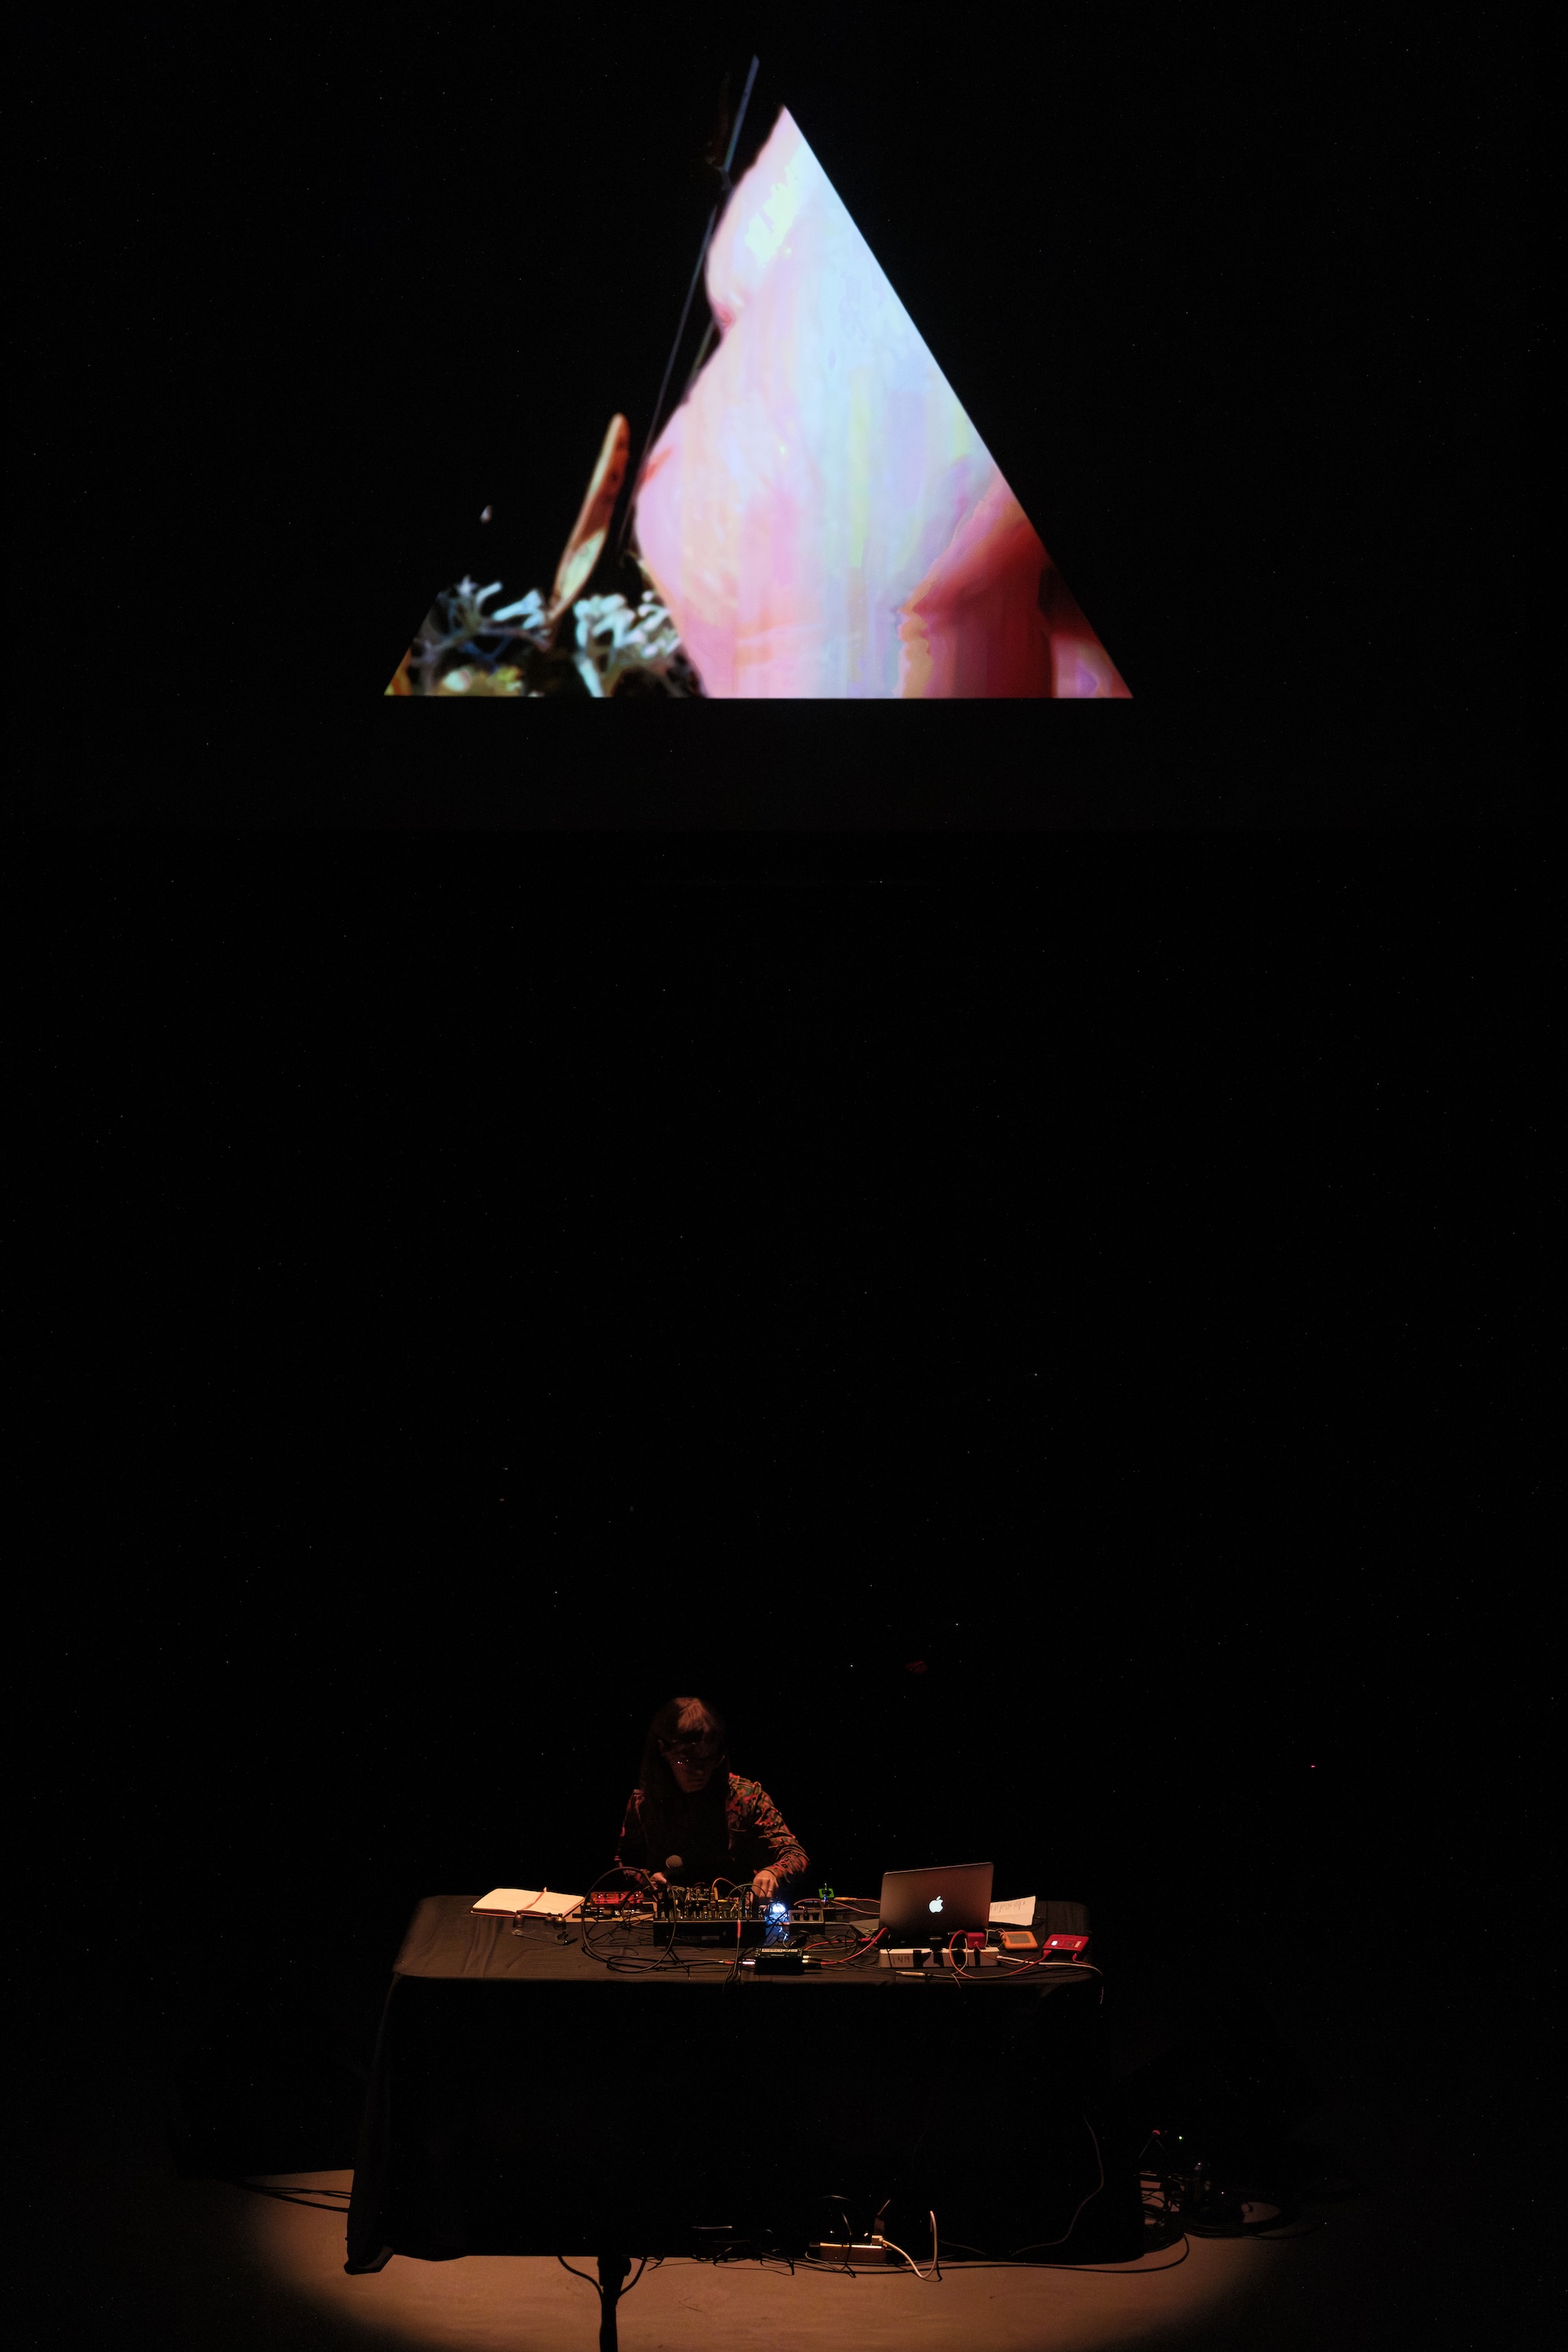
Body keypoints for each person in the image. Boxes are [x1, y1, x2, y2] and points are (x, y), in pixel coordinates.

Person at [615, 1694, 808, 1904]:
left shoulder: (746, 1796)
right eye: (686, 1758)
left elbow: (795, 1853)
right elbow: (624, 1862)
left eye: (707, 1759)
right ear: (663, 1750)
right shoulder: (643, 1804)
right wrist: (645, 1879)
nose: (698, 1770)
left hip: (739, 1917)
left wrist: (772, 1872)